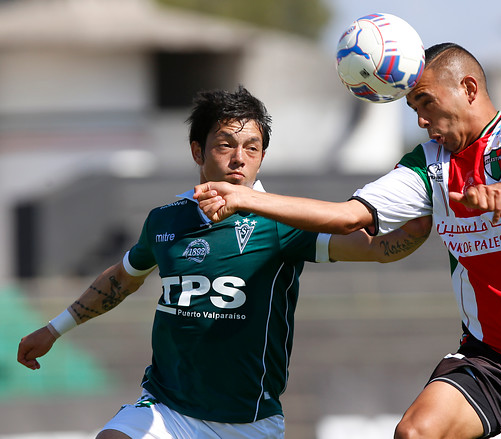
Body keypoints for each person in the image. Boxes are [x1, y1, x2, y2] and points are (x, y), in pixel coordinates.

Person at [193, 43, 501, 438]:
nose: (421, 121)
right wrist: (247, 198)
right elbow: (347, 217)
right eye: (412, 109)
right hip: (493, 359)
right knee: (416, 432)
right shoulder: (428, 165)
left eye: (426, 103)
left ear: (469, 88)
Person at [17, 86, 430, 439]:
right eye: (225, 145)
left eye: (252, 148)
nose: (239, 159)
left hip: (249, 422)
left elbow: (378, 248)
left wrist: (426, 210)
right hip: (168, 409)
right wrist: (54, 329)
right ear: (198, 150)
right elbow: (122, 279)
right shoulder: (165, 220)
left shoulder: (281, 222)